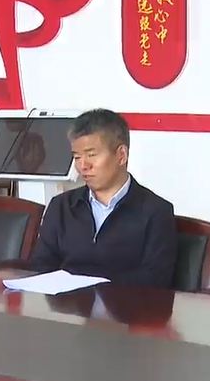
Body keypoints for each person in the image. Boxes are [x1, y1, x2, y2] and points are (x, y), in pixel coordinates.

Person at [27, 108, 177, 288]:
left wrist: (95, 289)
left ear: (121, 155)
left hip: (124, 305)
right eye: (77, 157)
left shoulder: (156, 211)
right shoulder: (61, 206)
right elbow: (41, 265)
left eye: (91, 155)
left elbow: (157, 278)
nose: (83, 166)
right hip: (66, 304)